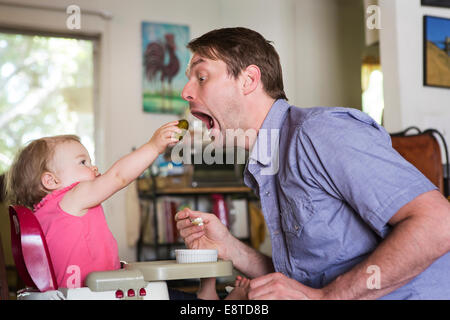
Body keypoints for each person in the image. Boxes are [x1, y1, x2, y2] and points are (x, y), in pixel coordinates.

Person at [175, 27, 450, 300]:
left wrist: (327, 297)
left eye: (201, 77)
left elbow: (439, 223)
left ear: (248, 80)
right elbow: (304, 285)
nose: (186, 92)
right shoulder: (268, 164)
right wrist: (230, 248)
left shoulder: (319, 132)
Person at [6, 121, 181, 288]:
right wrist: (153, 147)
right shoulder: (72, 197)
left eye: (90, 161)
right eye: (83, 162)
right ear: (51, 180)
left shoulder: (43, 215)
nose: (94, 167)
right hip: (94, 293)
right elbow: (118, 177)